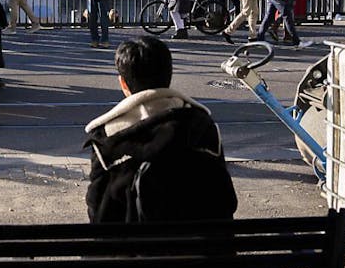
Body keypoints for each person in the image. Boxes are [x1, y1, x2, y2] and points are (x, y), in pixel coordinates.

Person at [84, 36, 237, 223]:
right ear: (169, 76)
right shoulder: (202, 125)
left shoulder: (106, 137)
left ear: (123, 83)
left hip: (133, 250)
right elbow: (224, 201)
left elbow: (98, 213)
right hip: (202, 248)